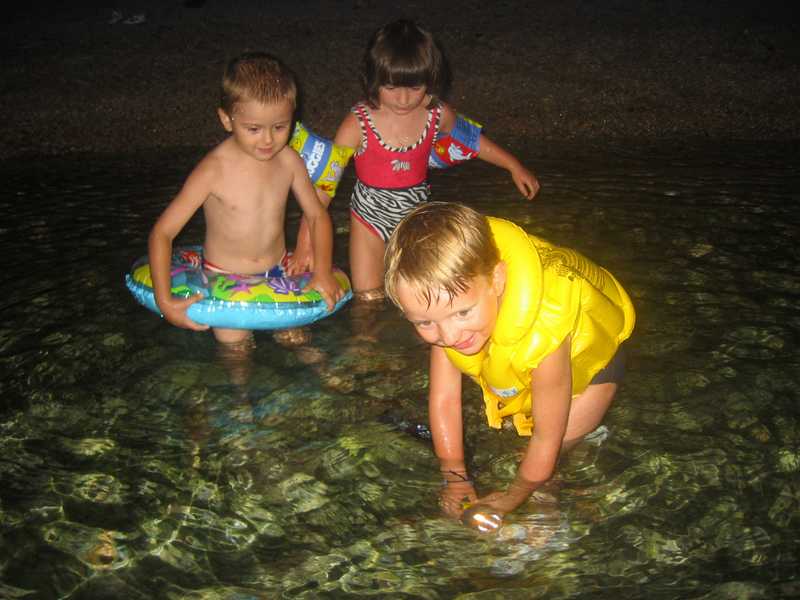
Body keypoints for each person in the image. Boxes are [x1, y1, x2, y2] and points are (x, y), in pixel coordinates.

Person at [384, 202, 636, 523]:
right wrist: (455, 478)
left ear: (497, 279)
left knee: (554, 454)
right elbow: (445, 400)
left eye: (463, 313)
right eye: (424, 323)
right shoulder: (446, 311)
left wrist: (511, 498)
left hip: (593, 368)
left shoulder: (546, 332)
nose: (447, 335)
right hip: (525, 353)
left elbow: (546, 437)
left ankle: (548, 509)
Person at [147, 51, 343, 350]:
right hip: (224, 277)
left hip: (277, 271)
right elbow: (162, 233)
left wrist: (323, 272)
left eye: (280, 127)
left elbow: (317, 216)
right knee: (235, 350)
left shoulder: (289, 161)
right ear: (227, 119)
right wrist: (165, 300)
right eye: (253, 129)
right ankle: (240, 382)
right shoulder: (213, 170)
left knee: (300, 343)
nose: (268, 140)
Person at [331, 19, 540, 297]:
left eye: (415, 88)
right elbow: (323, 185)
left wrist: (514, 166)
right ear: (373, 80)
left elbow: (473, 141)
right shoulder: (357, 124)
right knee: (368, 297)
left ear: (430, 81)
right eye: (391, 88)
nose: (404, 99)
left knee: (421, 293)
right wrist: (308, 244)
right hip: (368, 217)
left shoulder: (437, 114)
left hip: (415, 215)